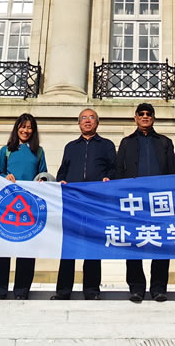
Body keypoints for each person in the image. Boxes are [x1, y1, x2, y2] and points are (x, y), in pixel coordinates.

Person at [53, 108, 116, 300]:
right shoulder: (71, 147)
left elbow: (114, 169)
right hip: (73, 204)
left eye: (91, 118)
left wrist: (108, 178)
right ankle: (63, 291)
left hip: (96, 204)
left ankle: (92, 290)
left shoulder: (107, 145)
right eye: (83, 118)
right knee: (68, 248)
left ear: (97, 122)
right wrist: (61, 180)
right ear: (79, 123)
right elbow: (62, 171)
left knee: (93, 247)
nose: (87, 121)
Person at [117, 102, 175, 303]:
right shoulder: (126, 143)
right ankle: (136, 287)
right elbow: (119, 172)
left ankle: (158, 288)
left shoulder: (165, 142)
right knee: (134, 244)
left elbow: (173, 173)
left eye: (148, 113)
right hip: (134, 202)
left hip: (160, 201)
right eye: (141, 113)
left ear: (153, 117)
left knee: (161, 245)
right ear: (135, 118)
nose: (145, 116)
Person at [0, 113, 48, 300]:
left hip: (29, 207)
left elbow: (43, 173)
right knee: (3, 248)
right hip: (7, 205)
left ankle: (22, 291)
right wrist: (5, 177)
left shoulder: (38, 151)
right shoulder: (6, 151)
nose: (26, 130)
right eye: (22, 127)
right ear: (17, 129)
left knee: (27, 249)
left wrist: (42, 180)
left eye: (29, 127)